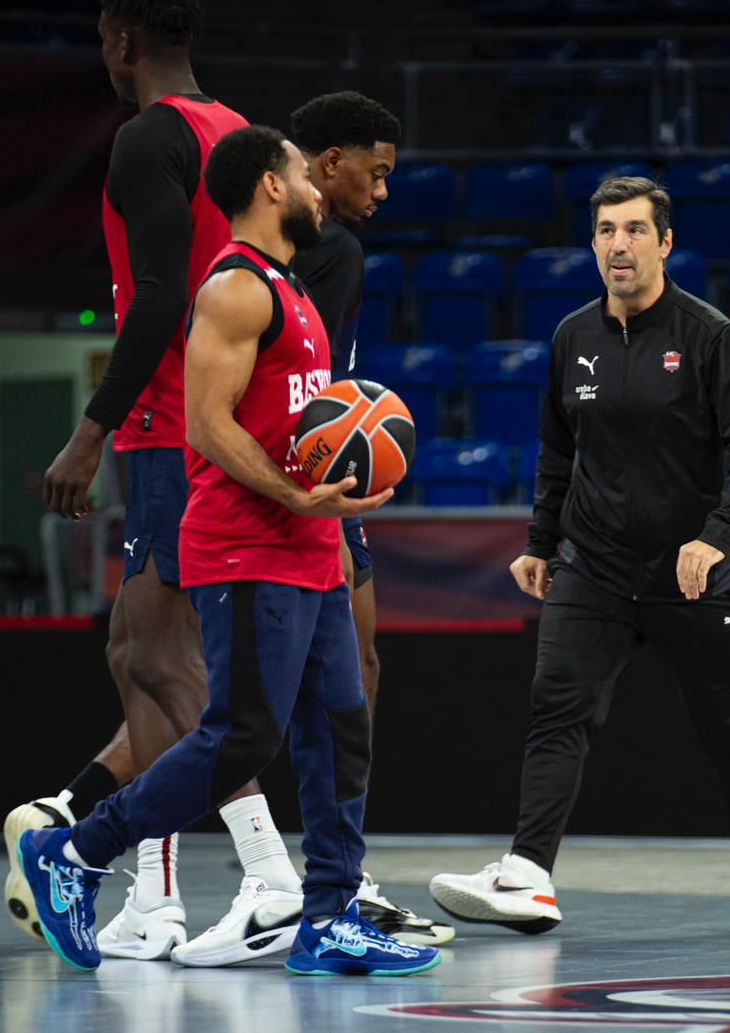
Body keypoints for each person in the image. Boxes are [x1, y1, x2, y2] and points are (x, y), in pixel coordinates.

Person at [17, 124, 440, 979]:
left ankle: (328, 916)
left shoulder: (295, 292)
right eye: (302, 174)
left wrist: (333, 480)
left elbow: (299, 427)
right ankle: (76, 853)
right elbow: (206, 430)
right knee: (243, 735)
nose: (320, 190)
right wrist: (293, 494)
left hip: (309, 542)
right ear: (272, 187)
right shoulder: (235, 290)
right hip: (248, 547)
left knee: (338, 722)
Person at [4, 0, 308, 967]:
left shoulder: (148, 137)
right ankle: (155, 897)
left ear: (117, 38)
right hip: (215, 423)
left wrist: (90, 427)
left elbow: (163, 296)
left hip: (171, 427)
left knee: (158, 659)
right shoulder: (242, 132)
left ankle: (269, 877)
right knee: (140, 652)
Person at [428, 177, 730, 935]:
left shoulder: (708, 335)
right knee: (556, 708)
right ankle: (528, 874)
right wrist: (539, 540)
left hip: (692, 574)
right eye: (604, 231)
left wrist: (718, 535)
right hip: (592, 564)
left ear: (664, 243)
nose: (617, 244)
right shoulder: (572, 337)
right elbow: (559, 447)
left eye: (632, 230)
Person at [287, 89, 453, 947]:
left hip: (318, 489)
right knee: (316, 688)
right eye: (376, 173)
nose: (384, 192)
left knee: (355, 672)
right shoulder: (332, 249)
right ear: (328, 165)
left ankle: (332, 876)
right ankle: (312, 880)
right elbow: (295, 385)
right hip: (302, 489)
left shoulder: (300, 248)